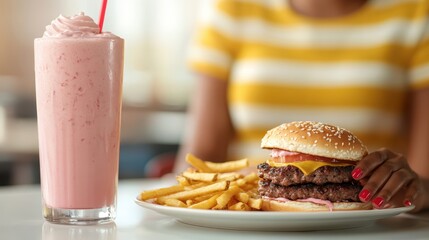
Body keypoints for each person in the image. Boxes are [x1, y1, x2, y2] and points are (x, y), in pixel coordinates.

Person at [175, 0, 429, 212]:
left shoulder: (416, 13)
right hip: (245, 215)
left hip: (372, 223)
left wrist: (415, 190)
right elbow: (200, 157)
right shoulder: (232, 8)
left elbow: (424, 175)